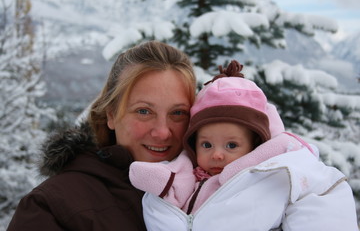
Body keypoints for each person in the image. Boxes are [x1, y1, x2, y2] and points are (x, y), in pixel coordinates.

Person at [130, 60, 358, 231]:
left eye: (231, 145)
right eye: (207, 144)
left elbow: (325, 206)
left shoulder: (279, 173)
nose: (217, 155)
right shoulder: (182, 179)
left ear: (254, 146)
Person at [6, 40, 197, 231]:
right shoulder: (52, 207)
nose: (162, 132)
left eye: (178, 113)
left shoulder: (213, 189)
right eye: (144, 111)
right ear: (111, 115)